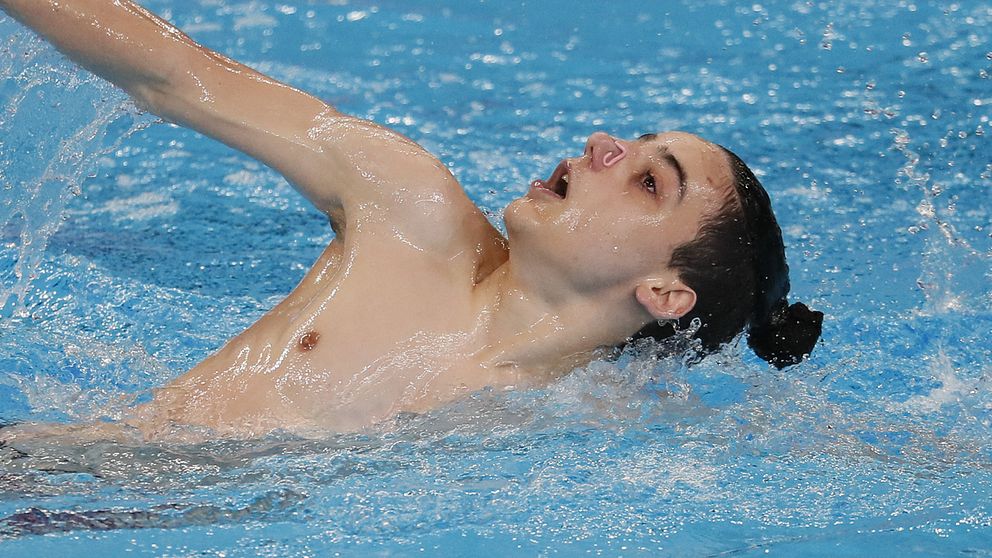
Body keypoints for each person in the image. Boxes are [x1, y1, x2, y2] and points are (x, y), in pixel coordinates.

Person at [0, 0, 822, 440]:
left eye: (647, 182)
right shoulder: (407, 210)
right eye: (634, 140)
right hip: (48, 474)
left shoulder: (590, 425)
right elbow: (175, 75)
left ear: (665, 294)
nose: (605, 144)